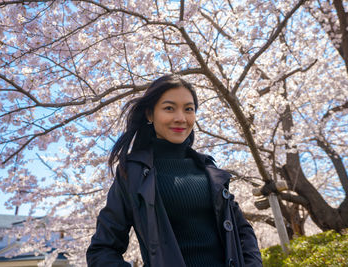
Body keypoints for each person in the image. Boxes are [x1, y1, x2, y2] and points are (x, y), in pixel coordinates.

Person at [86, 75, 262, 267]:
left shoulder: (209, 170)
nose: (181, 118)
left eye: (189, 109)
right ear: (149, 114)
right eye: (169, 108)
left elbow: (242, 231)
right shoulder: (132, 173)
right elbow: (102, 249)